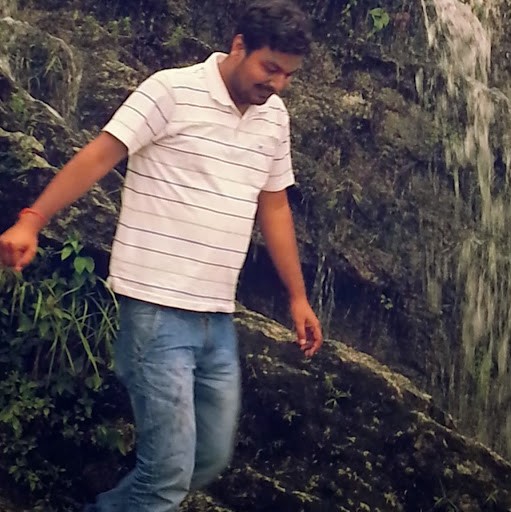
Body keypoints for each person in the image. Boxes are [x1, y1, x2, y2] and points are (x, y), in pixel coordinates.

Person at [0, 0, 323, 510]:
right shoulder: (170, 91)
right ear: (239, 45)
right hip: (156, 310)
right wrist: (32, 219)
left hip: (217, 316)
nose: (278, 83)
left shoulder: (273, 117)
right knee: (168, 476)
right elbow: (99, 156)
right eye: (270, 68)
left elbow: (275, 205)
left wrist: (298, 297)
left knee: (208, 460)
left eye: (289, 75)